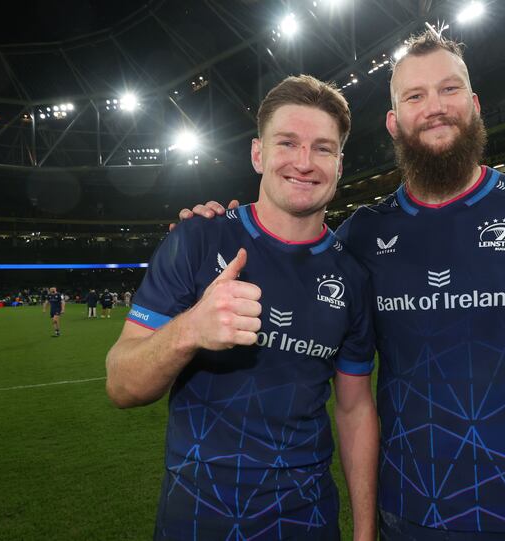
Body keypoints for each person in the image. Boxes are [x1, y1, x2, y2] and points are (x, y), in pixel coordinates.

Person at [180, 29, 505, 540]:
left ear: (474, 104)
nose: (435, 107)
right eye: (414, 96)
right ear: (394, 122)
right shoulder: (362, 234)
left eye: (449, 89)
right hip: (407, 517)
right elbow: (287, 257)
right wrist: (219, 227)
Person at [106, 75, 378, 541]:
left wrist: (365, 533)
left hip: (305, 522)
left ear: (339, 163)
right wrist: (191, 329)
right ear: (257, 154)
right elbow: (121, 385)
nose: (304, 162)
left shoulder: (351, 276)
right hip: (195, 522)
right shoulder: (196, 239)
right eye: (287, 143)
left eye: (323, 148)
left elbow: (354, 410)